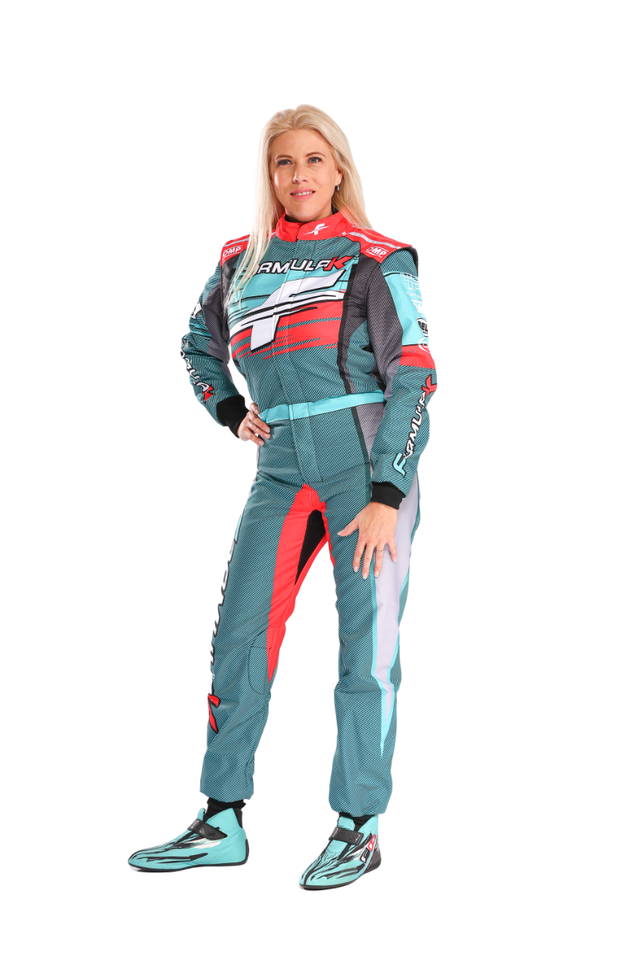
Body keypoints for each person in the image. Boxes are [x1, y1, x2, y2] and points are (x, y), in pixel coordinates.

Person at [128, 104, 437, 890]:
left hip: (365, 468)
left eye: (313, 160)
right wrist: (230, 410)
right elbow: (196, 345)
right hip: (279, 471)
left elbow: (415, 374)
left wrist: (388, 488)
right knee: (240, 637)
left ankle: (358, 826)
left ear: (338, 169)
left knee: (367, 653)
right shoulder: (240, 259)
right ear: (268, 175)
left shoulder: (378, 256)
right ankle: (222, 819)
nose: (298, 175)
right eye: (283, 162)